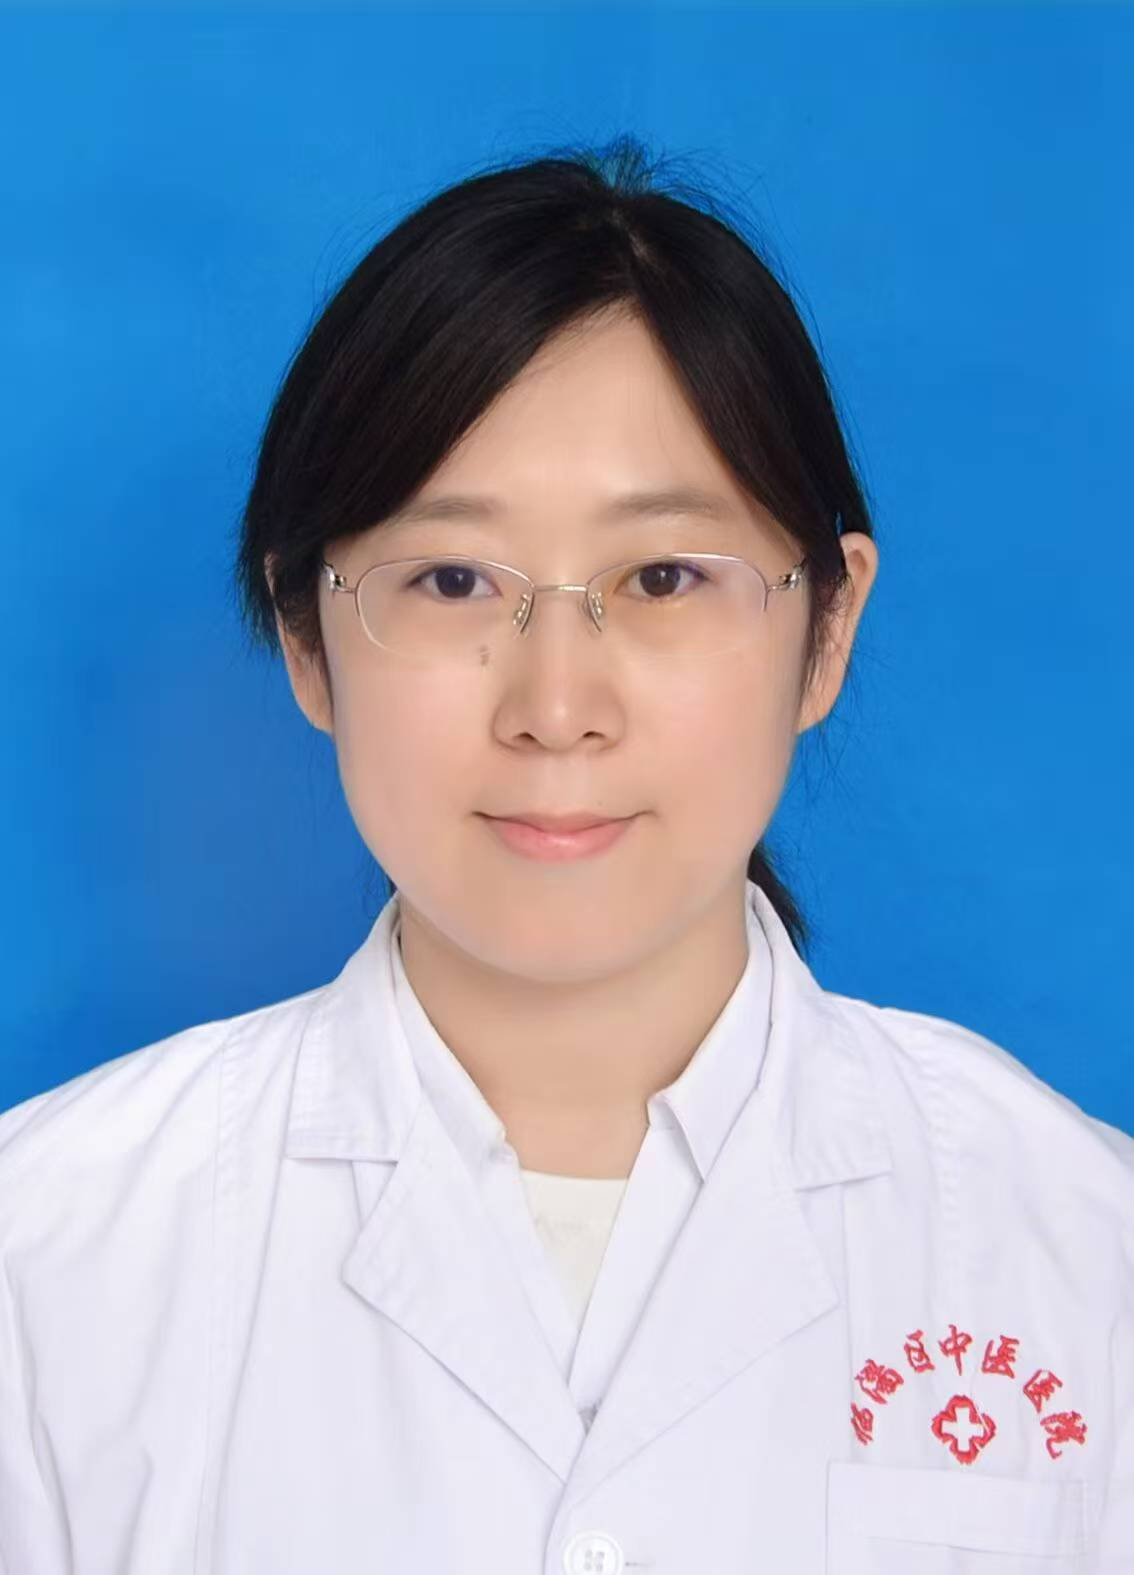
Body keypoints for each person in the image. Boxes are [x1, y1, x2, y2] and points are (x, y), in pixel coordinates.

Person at [1, 136, 1130, 1574]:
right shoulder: (45, 1260)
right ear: (304, 636)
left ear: (828, 626)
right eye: (451, 579)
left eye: (662, 577)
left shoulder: (1081, 1246)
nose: (553, 707)